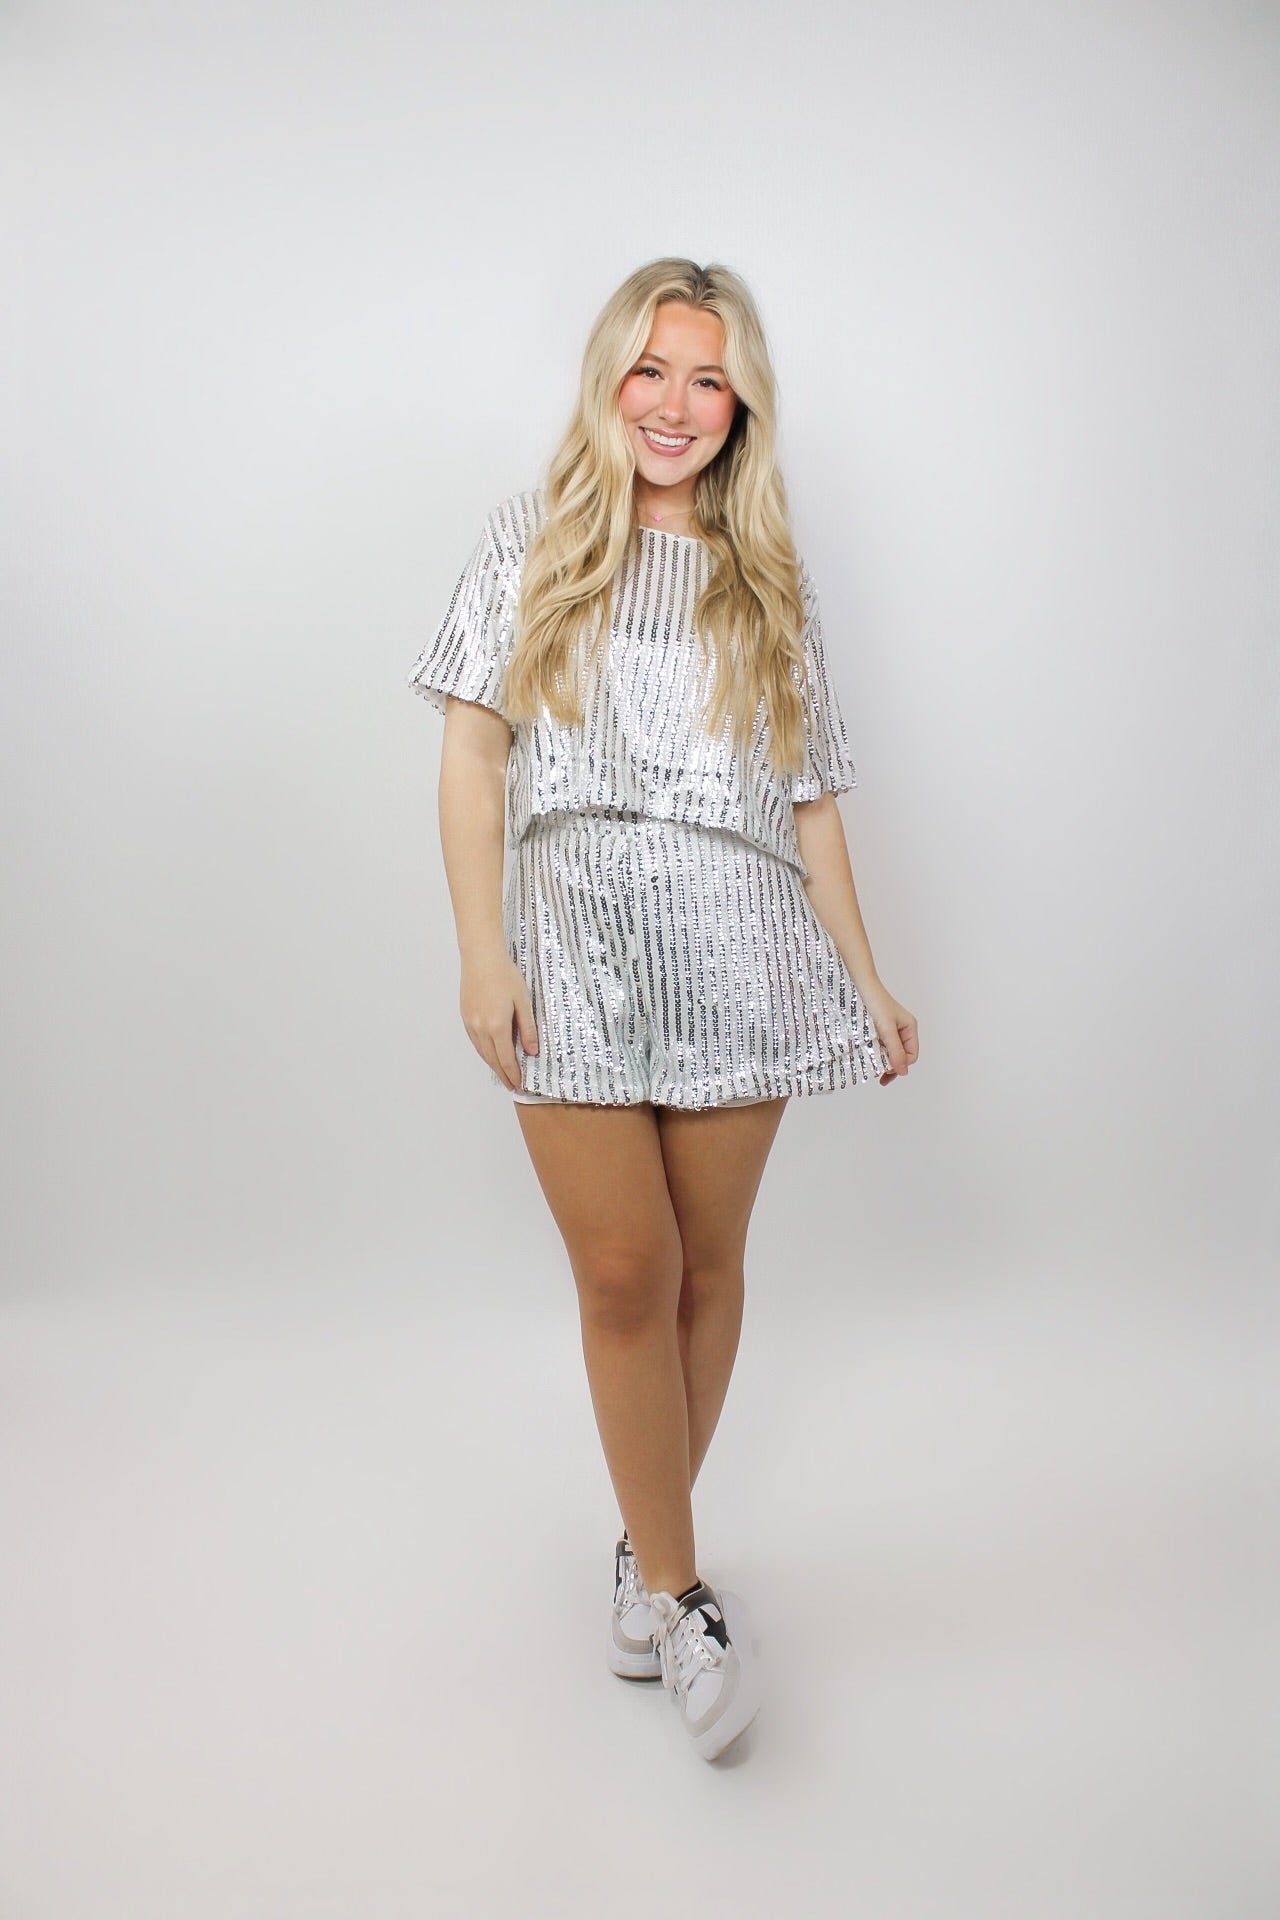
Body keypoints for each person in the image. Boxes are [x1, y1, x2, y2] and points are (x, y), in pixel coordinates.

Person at [407, 258, 919, 1762]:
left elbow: (812, 801)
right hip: (570, 947)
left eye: (708, 378)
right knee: (626, 1272)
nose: (677, 405)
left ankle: (647, 1556)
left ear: (741, 403)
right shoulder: (533, 539)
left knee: (707, 1269)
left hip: (742, 954)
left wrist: (868, 978)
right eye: (650, 370)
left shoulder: (770, 582)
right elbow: (473, 758)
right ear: (608, 383)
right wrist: (482, 954)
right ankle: (688, 1597)